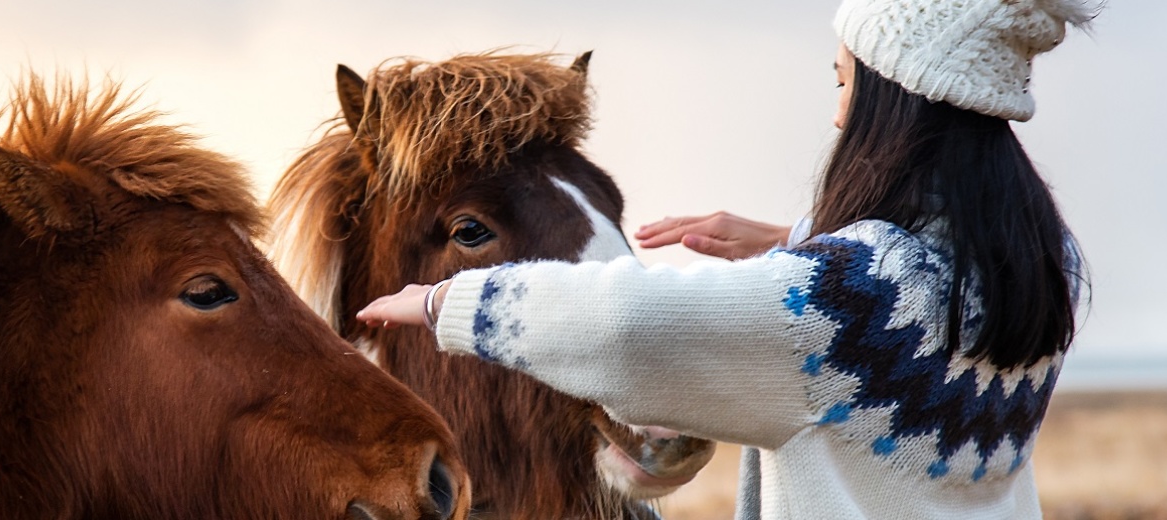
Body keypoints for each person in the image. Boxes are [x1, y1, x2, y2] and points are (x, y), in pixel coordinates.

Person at [356, 0, 1098, 518]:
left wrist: (443, 304)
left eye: (845, 82)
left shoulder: (841, 310)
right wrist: (789, 240)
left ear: (895, 104)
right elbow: (907, 284)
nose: (839, 110)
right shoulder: (1039, 264)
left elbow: (628, 326)